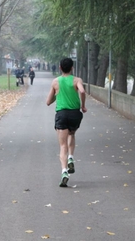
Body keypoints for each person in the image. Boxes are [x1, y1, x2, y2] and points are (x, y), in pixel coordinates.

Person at [46, 57, 87, 187]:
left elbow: (48, 101)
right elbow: (82, 90)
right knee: (72, 134)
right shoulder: (77, 80)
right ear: (72, 68)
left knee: (62, 145)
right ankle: (71, 157)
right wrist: (83, 105)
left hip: (62, 114)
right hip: (75, 114)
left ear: (60, 68)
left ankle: (64, 171)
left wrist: (57, 95)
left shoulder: (55, 82)